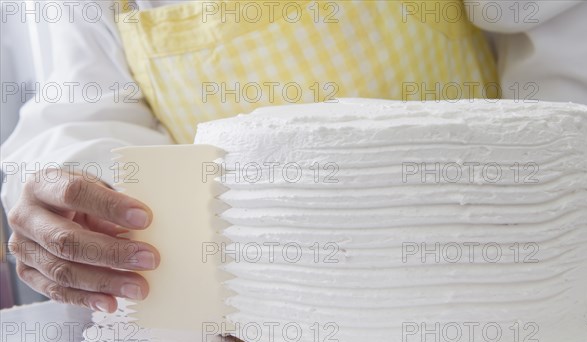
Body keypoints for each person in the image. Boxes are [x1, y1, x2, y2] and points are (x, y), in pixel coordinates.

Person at [2, 0, 499, 312]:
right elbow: (84, 106)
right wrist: (84, 192)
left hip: (482, 272)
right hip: (248, 322)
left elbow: (563, 43)